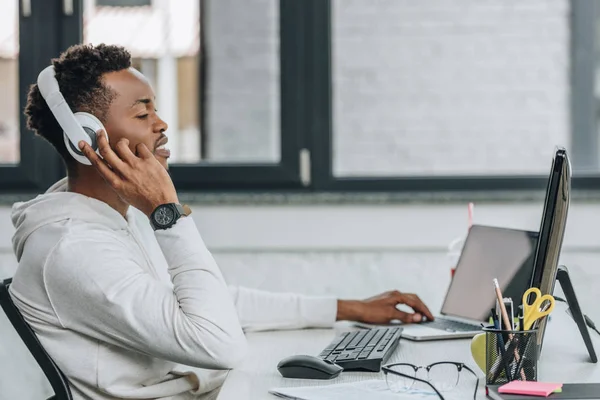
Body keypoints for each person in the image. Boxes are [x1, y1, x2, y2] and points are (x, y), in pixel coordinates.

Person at [9, 43, 434, 400]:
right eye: (142, 115)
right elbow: (218, 343)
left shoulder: (108, 219)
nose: (161, 125)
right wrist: (166, 213)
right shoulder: (74, 249)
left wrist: (348, 308)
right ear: (84, 140)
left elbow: (210, 304)